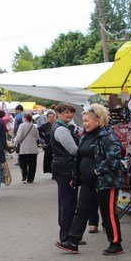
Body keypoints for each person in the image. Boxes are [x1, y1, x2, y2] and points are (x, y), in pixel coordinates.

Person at [56, 104, 125, 255]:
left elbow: (114, 156)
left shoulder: (108, 134)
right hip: (88, 181)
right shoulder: (86, 134)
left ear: (98, 120)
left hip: (105, 181)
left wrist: (98, 170)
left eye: (87, 120)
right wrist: (76, 177)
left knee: (108, 213)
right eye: (84, 120)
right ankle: (72, 242)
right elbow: (79, 157)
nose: (84, 123)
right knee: (81, 211)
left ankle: (115, 244)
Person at [51, 103, 80, 244]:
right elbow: (73, 150)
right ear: (59, 114)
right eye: (66, 112)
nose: (69, 115)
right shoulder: (61, 129)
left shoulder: (63, 127)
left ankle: (68, 233)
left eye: (71, 112)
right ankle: (66, 235)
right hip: (65, 168)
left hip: (62, 167)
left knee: (66, 201)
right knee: (68, 202)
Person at [14, 113, 40, 183]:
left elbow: (19, 137)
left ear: (25, 118)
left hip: (24, 149)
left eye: (23, 118)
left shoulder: (21, 126)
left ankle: (24, 176)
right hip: (33, 149)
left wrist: (15, 141)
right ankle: (30, 179)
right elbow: (37, 137)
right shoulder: (34, 126)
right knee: (32, 165)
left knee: (23, 163)